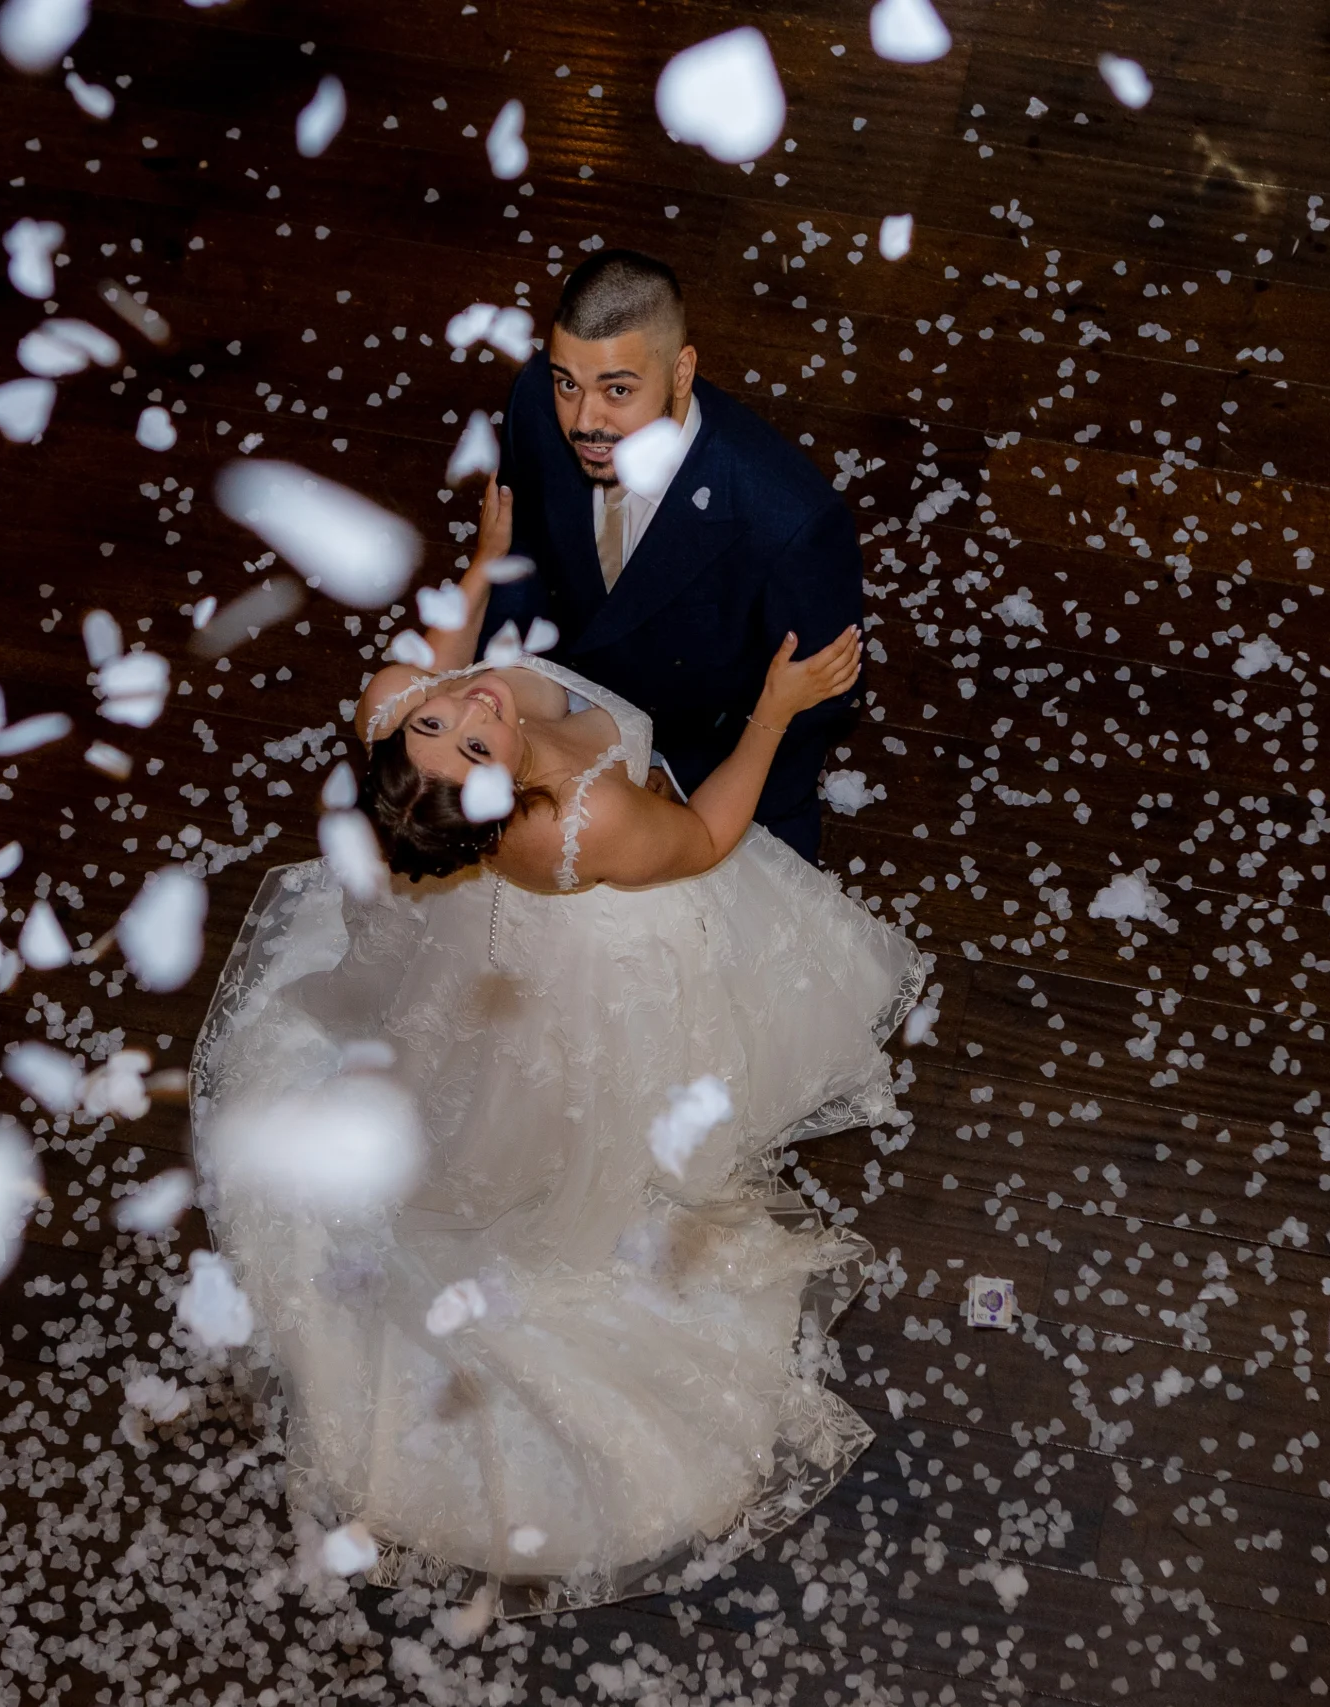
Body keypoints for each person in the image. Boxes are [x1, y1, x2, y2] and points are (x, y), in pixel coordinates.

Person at [187, 485, 926, 1621]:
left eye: (444, 729)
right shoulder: (585, 830)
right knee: (578, 1081)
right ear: (503, 801)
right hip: (586, 940)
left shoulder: (397, 714)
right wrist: (774, 711)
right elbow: (710, 835)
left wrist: (480, 567)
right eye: (472, 740)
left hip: (466, 932)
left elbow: (428, 667)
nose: (465, 709)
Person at [481, 248, 863, 864]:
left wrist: (676, 783)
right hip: (557, 720)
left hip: (710, 778)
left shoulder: (790, 519)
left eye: (618, 389)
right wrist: (510, 697)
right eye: (567, 383)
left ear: (681, 372)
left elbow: (820, 697)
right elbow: (523, 553)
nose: (584, 420)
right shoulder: (533, 400)